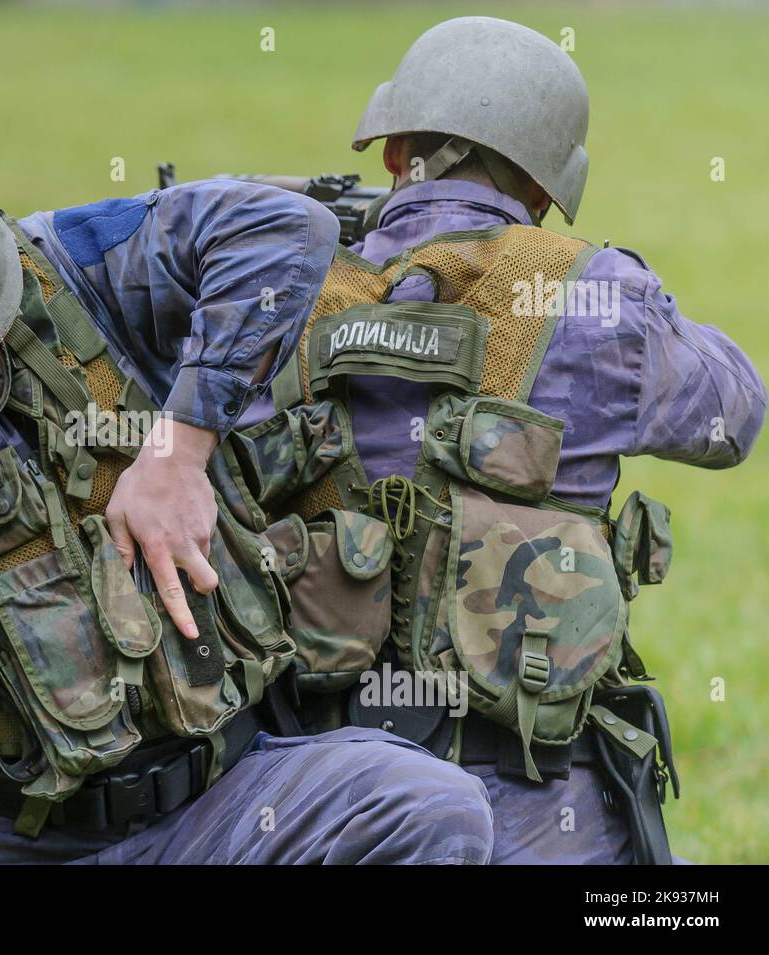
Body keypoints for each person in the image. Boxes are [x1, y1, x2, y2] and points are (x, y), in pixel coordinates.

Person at [0, 151, 495, 864]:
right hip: (16, 842)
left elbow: (286, 227)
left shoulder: (62, 271)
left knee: (432, 809)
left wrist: (180, 447)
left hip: (226, 796)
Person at [253, 15, 765, 863]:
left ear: (392, 152)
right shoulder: (595, 292)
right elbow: (736, 414)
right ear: (545, 183)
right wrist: (624, 287)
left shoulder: (286, 288)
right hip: (536, 791)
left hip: (323, 798)